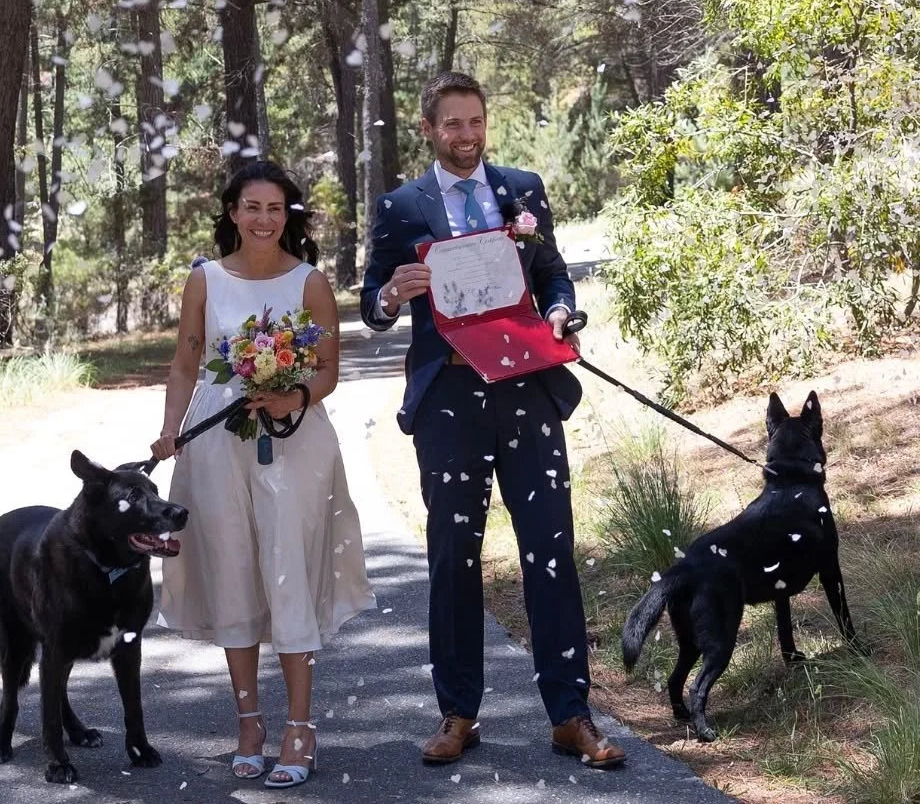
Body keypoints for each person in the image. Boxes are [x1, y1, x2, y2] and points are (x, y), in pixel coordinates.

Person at [360, 71, 625, 771]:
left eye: (475, 122)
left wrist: (563, 313)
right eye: (452, 124)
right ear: (429, 130)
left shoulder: (522, 190)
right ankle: (458, 713)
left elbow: (555, 276)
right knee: (453, 558)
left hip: (527, 393)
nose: (466, 136)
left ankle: (571, 715)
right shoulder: (400, 207)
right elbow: (370, 305)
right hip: (449, 399)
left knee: (550, 549)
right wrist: (392, 292)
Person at [151, 160, 374, 788]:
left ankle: (300, 727)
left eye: (275, 209)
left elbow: (327, 368)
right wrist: (170, 429)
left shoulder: (310, 283)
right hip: (218, 442)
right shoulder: (205, 280)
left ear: (288, 216)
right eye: (252, 207)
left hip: (296, 443)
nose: (264, 219)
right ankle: (249, 721)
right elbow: (185, 364)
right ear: (232, 213)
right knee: (233, 568)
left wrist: (292, 399)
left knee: (287, 568)